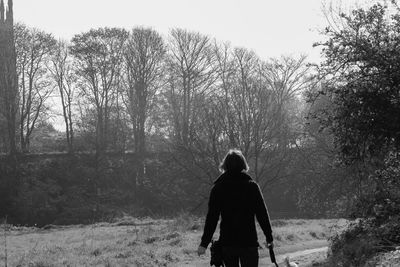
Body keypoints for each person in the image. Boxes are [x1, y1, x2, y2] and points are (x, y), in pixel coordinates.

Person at [197, 149, 274, 267]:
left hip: (228, 242)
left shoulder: (218, 188)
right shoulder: (252, 187)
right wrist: (269, 238)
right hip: (249, 242)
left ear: (225, 165)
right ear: (243, 165)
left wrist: (204, 243)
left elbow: (212, 218)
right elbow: (262, 214)